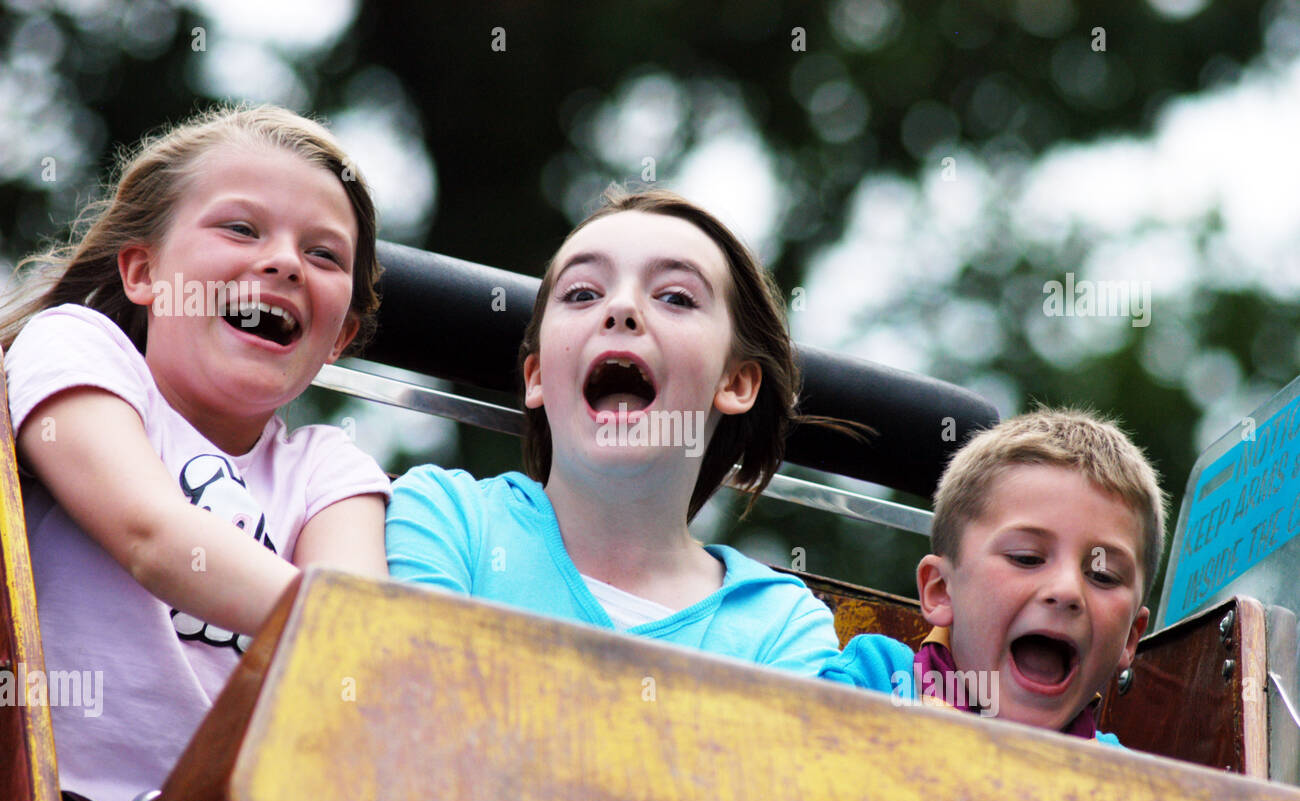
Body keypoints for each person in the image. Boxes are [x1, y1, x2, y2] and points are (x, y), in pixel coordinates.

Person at [1, 104, 391, 801]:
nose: (282, 261)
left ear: (339, 337)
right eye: (242, 229)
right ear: (144, 272)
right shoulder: (79, 351)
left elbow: (355, 642)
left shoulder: (331, 470)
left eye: (323, 254)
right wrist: (353, 630)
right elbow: (151, 534)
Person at [387, 187, 842, 675]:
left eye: (675, 297)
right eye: (583, 293)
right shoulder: (449, 520)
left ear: (735, 382)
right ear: (536, 377)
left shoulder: (781, 626)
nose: (621, 308)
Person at [820, 409, 1166, 745]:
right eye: (1027, 558)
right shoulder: (874, 683)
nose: (1066, 590)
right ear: (941, 590)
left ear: (1131, 638)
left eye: (1103, 576)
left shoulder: (1124, 781)